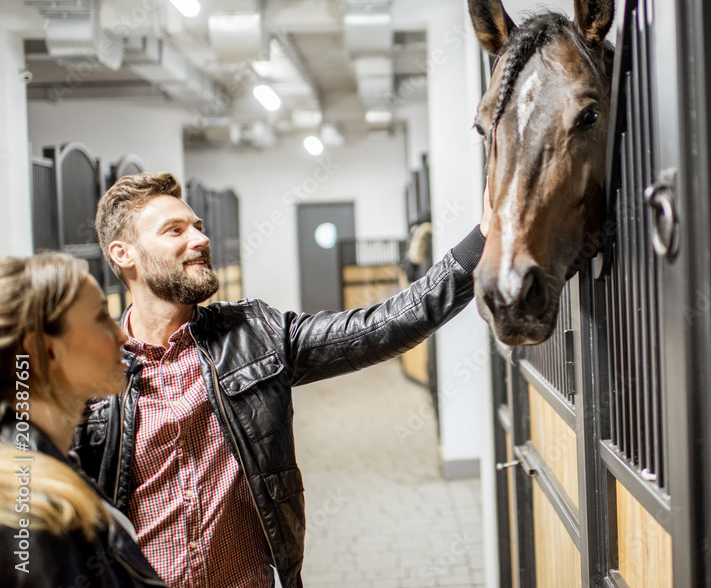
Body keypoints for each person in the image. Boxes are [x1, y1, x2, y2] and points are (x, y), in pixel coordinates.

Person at [74, 172, 490, 587]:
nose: (200, 240)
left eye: (198, 227)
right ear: (123, 254)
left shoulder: (253, 335)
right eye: (175, 230)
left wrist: (483, 239)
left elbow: (384, 325)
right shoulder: (89, 374)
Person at [0, 252, 164, 587]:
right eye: (102, 317)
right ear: (46, 351)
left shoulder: (48, 465)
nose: (122, 336)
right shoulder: (38, 512)